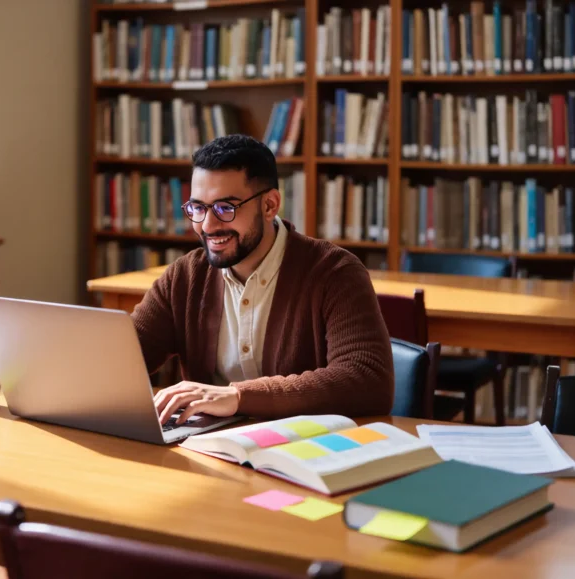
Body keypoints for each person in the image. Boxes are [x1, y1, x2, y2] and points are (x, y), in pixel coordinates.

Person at [131, 135, 394, 426]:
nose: (207, 225)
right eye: (198, 208)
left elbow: (368, 381)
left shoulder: (334, 272)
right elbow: (124, 357)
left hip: (301, 453)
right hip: (209, 452)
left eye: (225, 208)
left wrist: (239, 397)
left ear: (269, 205)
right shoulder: (185, 277)